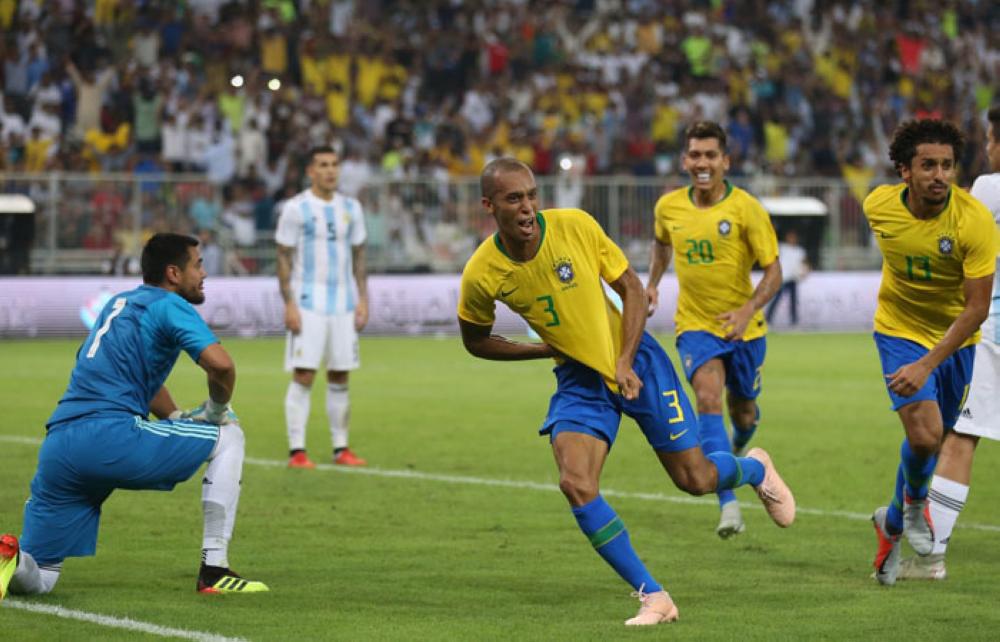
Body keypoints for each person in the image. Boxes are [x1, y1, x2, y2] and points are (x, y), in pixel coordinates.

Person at [458, 157, 795, 626]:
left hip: (637, 362)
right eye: (514, 199)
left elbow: (632, 288)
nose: (528, 207)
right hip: (579, 379)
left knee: (695, 480)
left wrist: (622, 360)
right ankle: (654, 595)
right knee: (575, 483)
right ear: (488, 206)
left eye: (532, 195)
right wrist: (539, 351)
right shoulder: (481, 273)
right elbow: (475, 340)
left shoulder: (574, 226)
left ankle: (753, 468)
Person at [0, 233, 268, 600]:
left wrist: (174, 414)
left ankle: (9, 558)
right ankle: (215, 570)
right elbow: (221, 367)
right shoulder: (170, 306)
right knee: (229, 437)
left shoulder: (117, 303)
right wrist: (216, 412)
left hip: (60, 445)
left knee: (40, 575)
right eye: (198, 264)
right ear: (174, 273)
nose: (204, 273)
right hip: (110, 436)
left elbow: (130, 375)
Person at [863, 119, 997, 586]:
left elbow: (977, 309)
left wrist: (928, 362)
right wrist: (914, 359)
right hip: (898, 330)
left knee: (936, 439)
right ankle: (917, 509)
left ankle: (891, 525)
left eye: (947, 165)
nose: (940, 175)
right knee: (924, 436)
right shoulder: (878, 206)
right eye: (928, 166)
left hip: (957, 337)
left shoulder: (973, 221)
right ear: (904, 171)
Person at [645, 121, 783, 539]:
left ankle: (736, 446)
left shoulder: (746, 209)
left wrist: (747, 310)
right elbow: (661, 243)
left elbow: (774, 272)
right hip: (696, 325)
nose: (701, 163)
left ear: (726, 161)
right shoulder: (668, 207)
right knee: (707, 397)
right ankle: (728, 503)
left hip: (745, 329)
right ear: (685, 160)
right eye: (694, 155)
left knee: (743, 411)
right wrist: (651, 283)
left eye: (710, 155)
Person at [276, 146, 369, 469]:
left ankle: (340, 448)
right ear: (310, 172)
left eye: (334, 165)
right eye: (323, 165)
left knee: (340, 374)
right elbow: (283, 257)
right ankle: (296, 450)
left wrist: (363, 299)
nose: (330, 170)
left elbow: (359, 256)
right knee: (304, 374)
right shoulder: (296, 208)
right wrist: (288, 303)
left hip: (343, 304)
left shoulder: (351, 208)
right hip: (307, 303)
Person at [765, 229, 809, 326]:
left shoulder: (799, 251)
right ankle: (768, 318)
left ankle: (794, 320)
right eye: (790, 237)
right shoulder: (782, 248)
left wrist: (805, 271)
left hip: (793, 278)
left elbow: (805, 263)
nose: (792, 239)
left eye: (793, 238)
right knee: (777, 299)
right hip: (783, 278)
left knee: (793, 301)